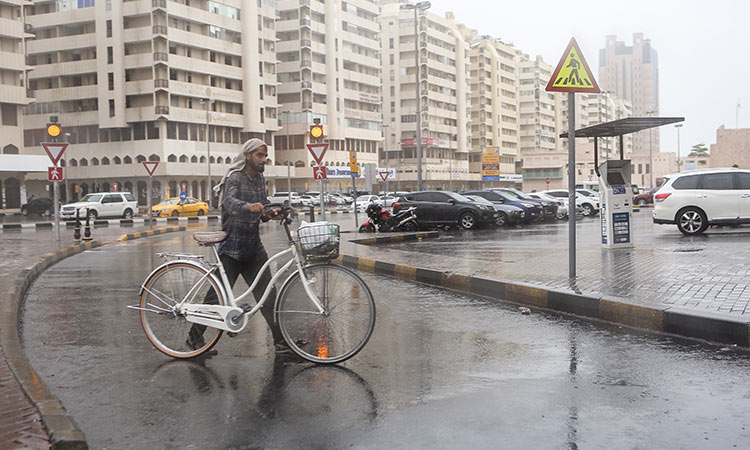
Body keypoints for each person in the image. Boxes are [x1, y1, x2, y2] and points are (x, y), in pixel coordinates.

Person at [187, 138, 290, 355]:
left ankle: (281, 342)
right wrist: (249, 206)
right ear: (248, 156)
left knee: (268, 295)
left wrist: (271, 212)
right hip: (232, 249)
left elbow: (263, 206)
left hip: (253, 248)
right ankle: (194, 338)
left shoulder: (259, 178)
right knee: (216, 297)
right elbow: (228, 203)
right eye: (260, 155)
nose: (264, 159)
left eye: (265, 155)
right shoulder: (235, 177)